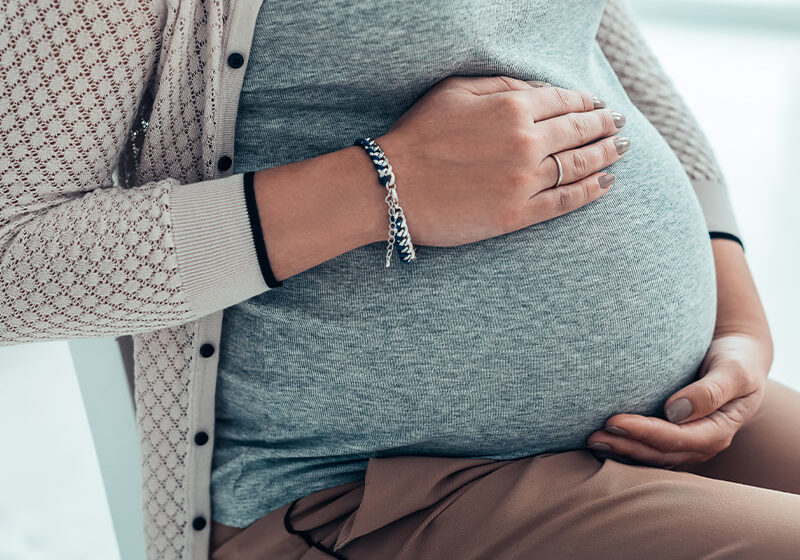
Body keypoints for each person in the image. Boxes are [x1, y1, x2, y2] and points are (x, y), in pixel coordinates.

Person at [1, 1, 797, 559]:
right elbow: (14, 259)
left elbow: (586, 37)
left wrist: (734, 303)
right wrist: (384, 185)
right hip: (369, 498)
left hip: (673, 410)